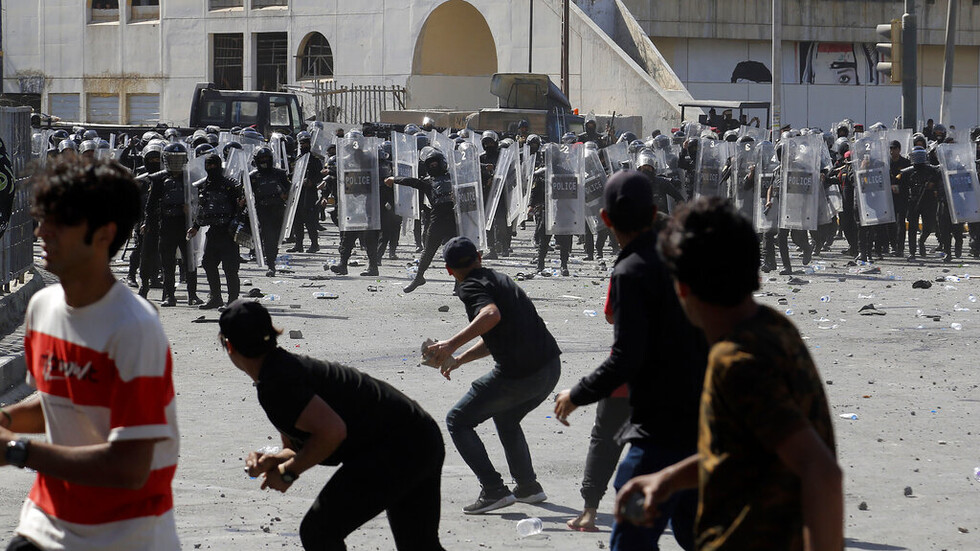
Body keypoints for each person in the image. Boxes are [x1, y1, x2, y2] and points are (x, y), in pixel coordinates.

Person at [616, 197, 842, 551]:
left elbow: (822, 471)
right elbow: (744, 448)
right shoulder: (773, 326)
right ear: (755, 274)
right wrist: (670, 479)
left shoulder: (734, 362)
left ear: (682, 288)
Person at [1, 157, 180, 550]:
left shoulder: (134, 327)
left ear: (104, 235)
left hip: (124, 534)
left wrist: (16, 450)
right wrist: (5, 419)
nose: (41, 231)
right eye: (42, 218)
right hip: (47, 521)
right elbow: (58, 401)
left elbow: (130, 467)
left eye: (59, 221)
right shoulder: (42, 307)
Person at [553, 171, 706, 550]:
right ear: (654, 211)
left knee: (631, 526)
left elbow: (627, 357)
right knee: (698, 532)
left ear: (605, 219)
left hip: (658, 429)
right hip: (702, 418)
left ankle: (589, 510)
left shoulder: (631, 270)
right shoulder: (684, 258)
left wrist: (577, 393)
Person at [217, 301, 446, 551]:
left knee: (319, 532)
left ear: (229, 346)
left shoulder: (277, 383)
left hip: (396, 448)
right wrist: (274, 460)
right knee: (419, 545)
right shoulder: (280, 371)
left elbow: (332, 432)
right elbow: (297, 447)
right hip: (420, 435)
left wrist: (288, 473)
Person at [425, 236, 562, 514]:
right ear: (479, 256)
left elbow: (490, 315)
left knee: (457, 420)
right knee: (506, 417)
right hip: (549, 368)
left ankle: (493, 489)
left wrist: (450, 344)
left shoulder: (470, 286)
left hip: (520, 375)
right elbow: (494, 335)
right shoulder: (500, 280)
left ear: (449, 270)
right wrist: (460, 359)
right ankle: (527, 487)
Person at [385, 146, 457, 293]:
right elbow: (412, 181)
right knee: (428, 251)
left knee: (456, 253)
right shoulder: (427, 182)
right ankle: (419, 277)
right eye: (430, 165)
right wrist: (395, 179)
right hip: (437, 221)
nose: (433, 167)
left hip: (454, 220)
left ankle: (459, 283)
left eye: (435, 164)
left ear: (442, 163)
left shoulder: (454, 177)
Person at [144, 142, 201, 307]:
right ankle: (170, 296)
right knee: (168, 264)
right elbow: (150, 205)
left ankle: (193, 295)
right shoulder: (159, 179)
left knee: (189, 261)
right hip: (167, 225)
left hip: (185, 225)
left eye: (179, 159)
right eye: (172, 158)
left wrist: (191, 210)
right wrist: (150, 223)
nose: (176, 162)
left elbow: (200, 202)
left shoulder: (191, 177)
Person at [189, 153, 243, 309]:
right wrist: (195, 227)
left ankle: (233, 300)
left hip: (229, 232)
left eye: (214, 164)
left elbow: (242, 209)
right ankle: (216, 297)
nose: (211, 168)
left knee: (230, 268)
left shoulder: (231, 185)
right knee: (208, 263)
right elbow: (201, 209)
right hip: (213, 232)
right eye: (208, 165)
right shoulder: (203, 185)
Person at [250, 145, 290, 277]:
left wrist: (285, 195)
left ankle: (272, 257)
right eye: (261, 158)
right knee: (268, 237)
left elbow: (290, 190)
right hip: (263, 210)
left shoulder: (279, 173)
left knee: (277, 237)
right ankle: (271, 264)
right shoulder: (252, 177)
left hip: (278, 209)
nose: (264, 160)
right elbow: (246, 194)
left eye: (266, 157)